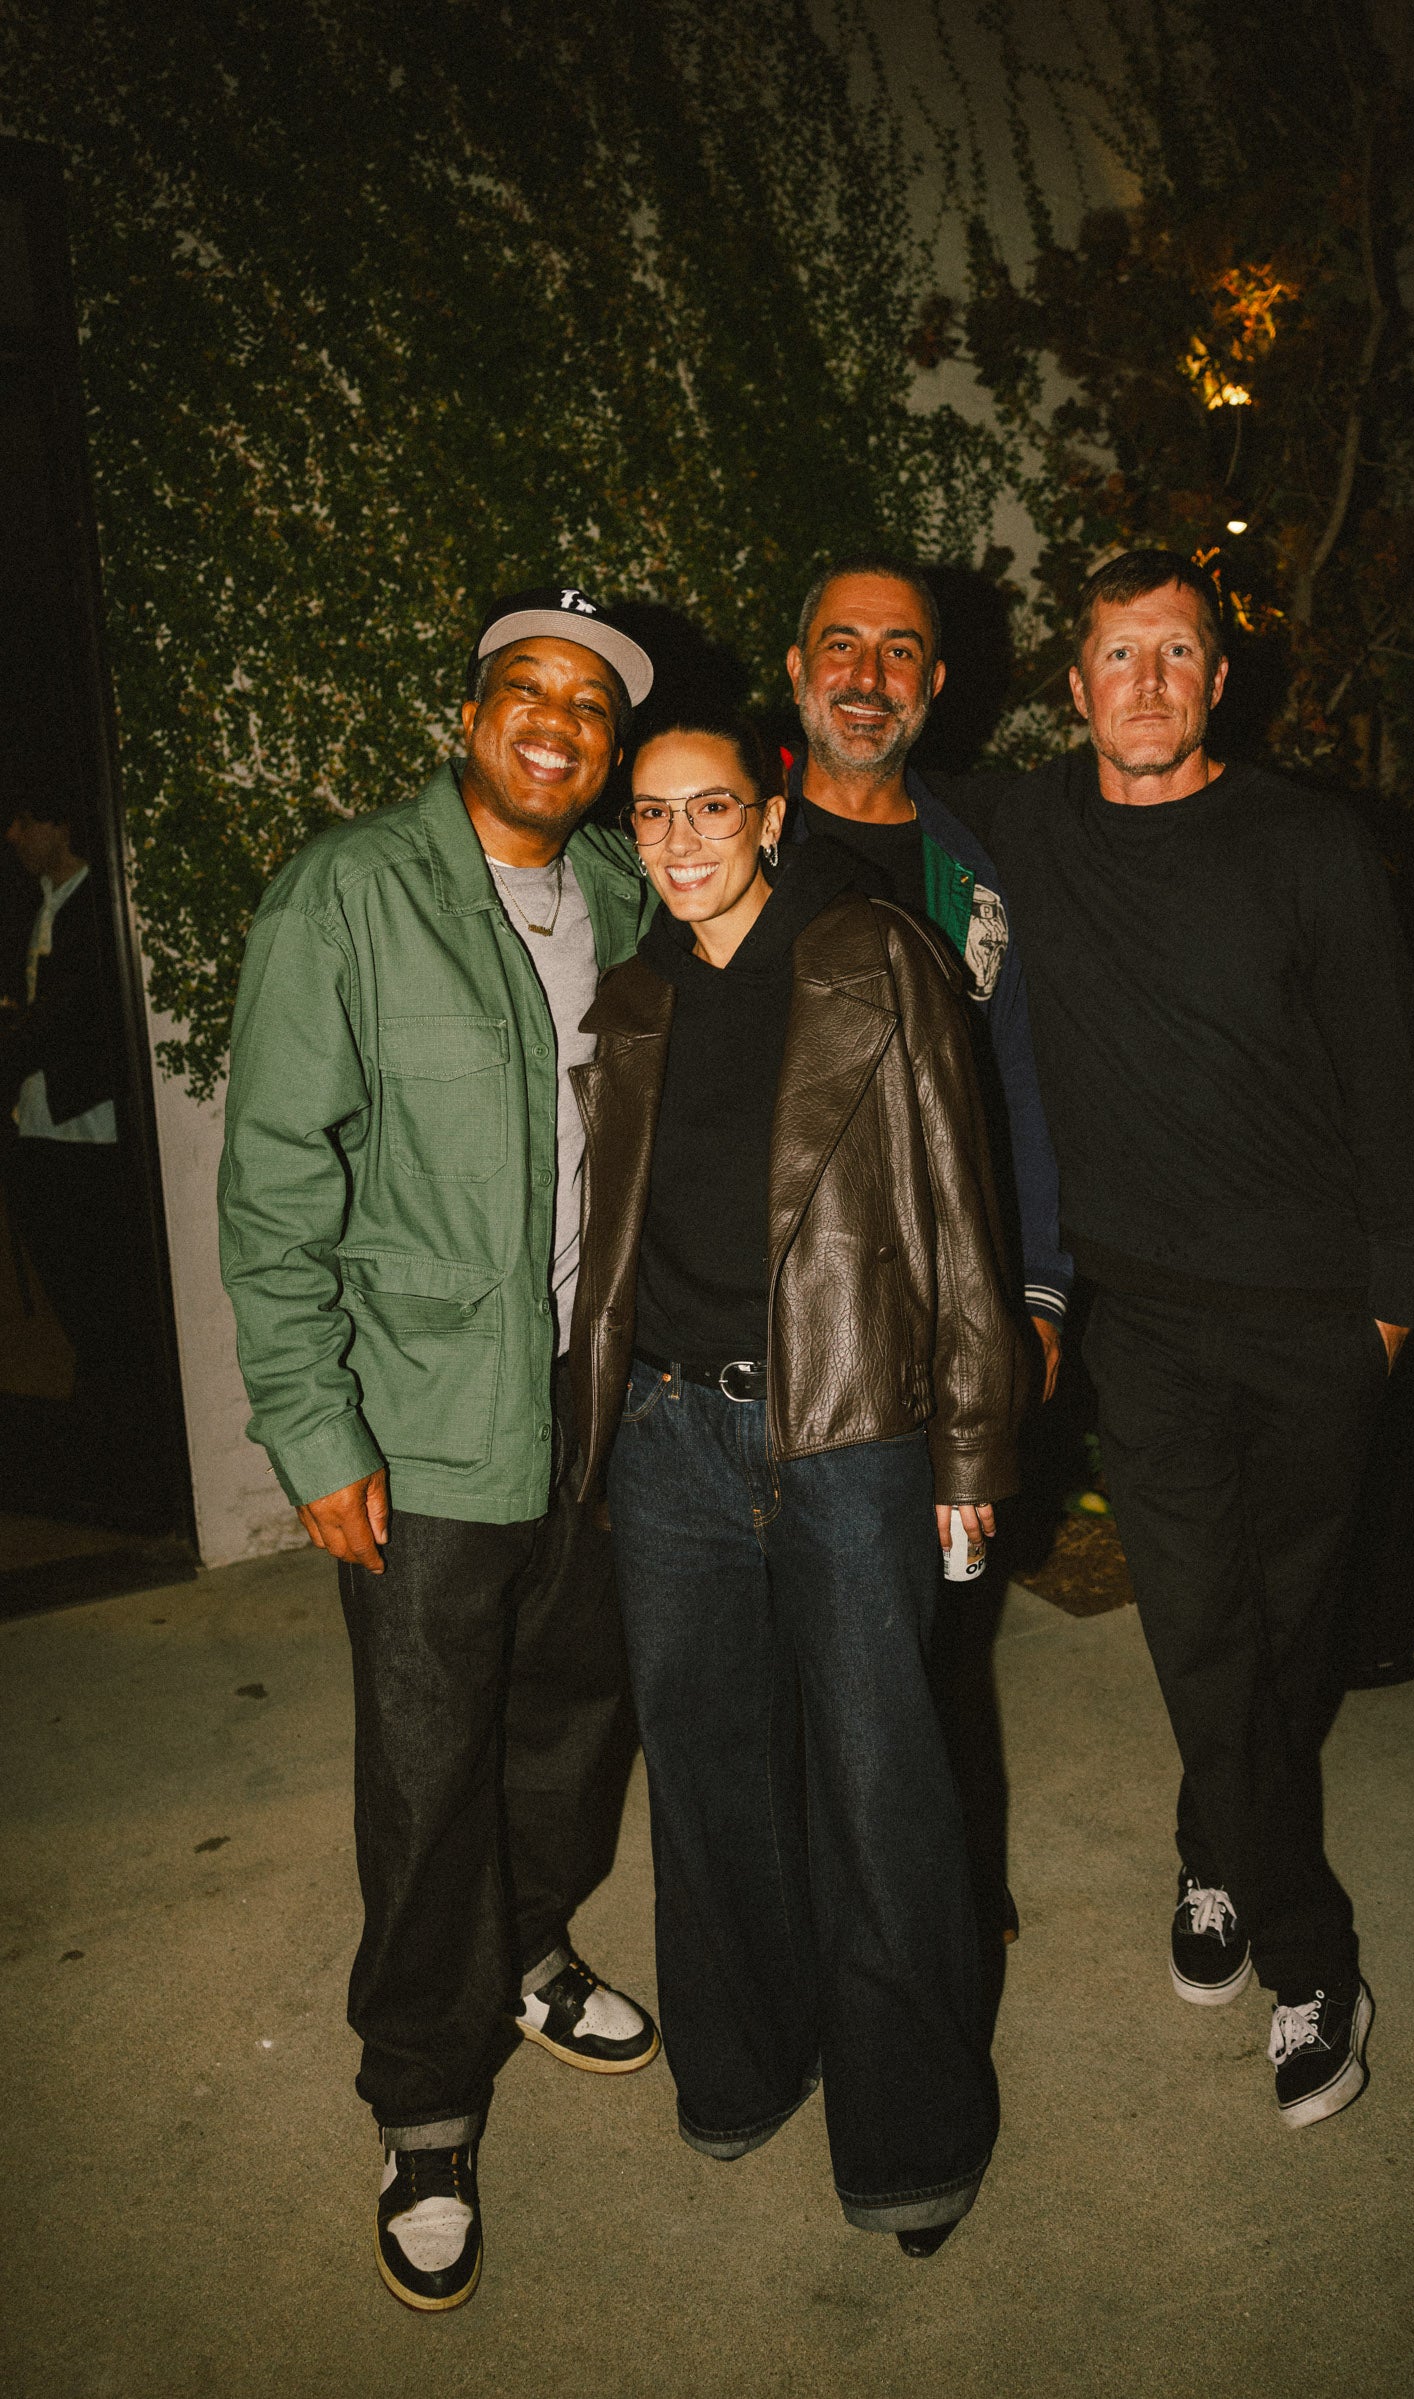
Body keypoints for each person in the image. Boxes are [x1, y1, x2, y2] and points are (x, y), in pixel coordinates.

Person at [928, 549, 1414, 2129]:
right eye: (1116, 654)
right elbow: (861, 799)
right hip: (1142, 1319)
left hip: (1315, 1318)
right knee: (1206, 1626)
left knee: (1286, 1630)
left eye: (1174, 653)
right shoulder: (1025, 826)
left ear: (1219, 679)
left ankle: (1214, 1843)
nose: (1143, 680)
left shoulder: (1308, 844)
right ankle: (1311, 1954)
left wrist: (1391, 1301)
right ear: (1074, 686)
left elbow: (1393, 1081)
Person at [219, 586, 663, 2313]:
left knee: (573, 1708)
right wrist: (312, 1422)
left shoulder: (624, 888)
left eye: (590, 701)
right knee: (425, 1761)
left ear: (613, 747)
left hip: (592, 1397)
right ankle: (423, 2093)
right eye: (525, 687)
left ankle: (528, 1944)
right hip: (417, 1411)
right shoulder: (349, 891)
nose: (557, 719)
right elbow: (276, 1178)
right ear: (469, 716)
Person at [570, 709, 1026, 2256]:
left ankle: (913, 2131)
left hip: (847, 1424)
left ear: (769, 816)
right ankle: (747, 2058)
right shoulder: (632, 998)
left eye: (710, 807)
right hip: (668, 1432)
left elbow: (962, 1201)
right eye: (651, 815)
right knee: (705, 1777)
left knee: (879, 1781)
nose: (681, 840)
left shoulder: (873, 957)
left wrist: (971, 1439)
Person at [782, 555, 1072, 1389]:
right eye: (842, 645)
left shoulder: (979, 876)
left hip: (938, 1322)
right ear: (798, 668)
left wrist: (1040, 1290)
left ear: (933, 681)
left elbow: (1020, 1084)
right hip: (755, 1320)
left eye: (899, 651)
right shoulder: (733, 848)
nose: (869, 677)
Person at [1, 799, 139, 1509]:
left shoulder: (95, 905)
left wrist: (16, 1034)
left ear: (58, 825)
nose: (14, 836)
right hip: (40, 1118)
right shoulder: (41, 903)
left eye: (25, 822)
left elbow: (67, 1018)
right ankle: (103, 1411)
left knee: (96, 1281)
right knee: (67, 1273)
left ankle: (114, 1423)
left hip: (85, 1123)